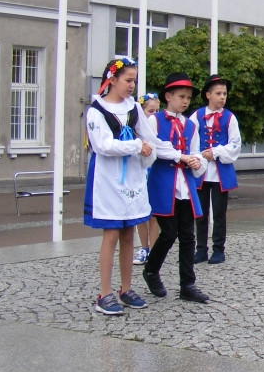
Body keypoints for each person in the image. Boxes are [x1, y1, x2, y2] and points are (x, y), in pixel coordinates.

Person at [84, 57, 158, 316]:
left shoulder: (133, 108)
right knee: (112, 234)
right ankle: (104, 293)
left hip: (132, 177)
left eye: (134, 81)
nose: (131, 85)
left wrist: (155, 152)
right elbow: (103, 145)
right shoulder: (96, 110)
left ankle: (126, 288)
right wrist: (136, 145)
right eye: (128, 80)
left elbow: (150, 138)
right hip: (108, 178)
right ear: (112, 79)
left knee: (128, 233)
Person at [141, 73, 209, 304]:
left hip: (185, 185)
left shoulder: (190, 125)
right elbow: (155, 147)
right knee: (169, 233)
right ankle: (151, 270)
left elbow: (196, 151)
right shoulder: (154, 121)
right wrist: (181, 156)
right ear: (168, 96)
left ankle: (187, 285)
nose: (185, 101)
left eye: (188, 97)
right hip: (163, 183)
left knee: (188, 236)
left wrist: (197, 162)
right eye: (181, 96)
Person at [192, 73, 242, 265]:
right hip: (201, 172)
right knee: (201, 213)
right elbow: (189, 140)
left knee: (219, 213)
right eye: (218, 93)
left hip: (221, 172)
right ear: (208, 95)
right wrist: (198, 156)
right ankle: (201, 250)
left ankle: (219, 249)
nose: (222, 97)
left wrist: (216, 152)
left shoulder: (230, 118)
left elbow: (235, 144)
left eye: (224, 94)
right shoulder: (197, 116)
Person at [133, 92, 161, 267]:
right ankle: (144, 247)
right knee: (141, 213)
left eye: (157, 111)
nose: (154, 115)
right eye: (151, 111)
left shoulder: (159, 126)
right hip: (140, 171)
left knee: (154, 213)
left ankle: (155, 250)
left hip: (155, 171)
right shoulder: (135, 129)